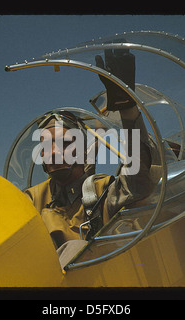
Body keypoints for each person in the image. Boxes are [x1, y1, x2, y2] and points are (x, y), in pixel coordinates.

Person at [24, 49, 155, 267]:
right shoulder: (32, 199)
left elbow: (138, 180)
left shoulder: (103, 190)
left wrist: (128, 110)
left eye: (65, 144)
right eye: (46, 146)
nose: (54, 152)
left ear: (84, 150)